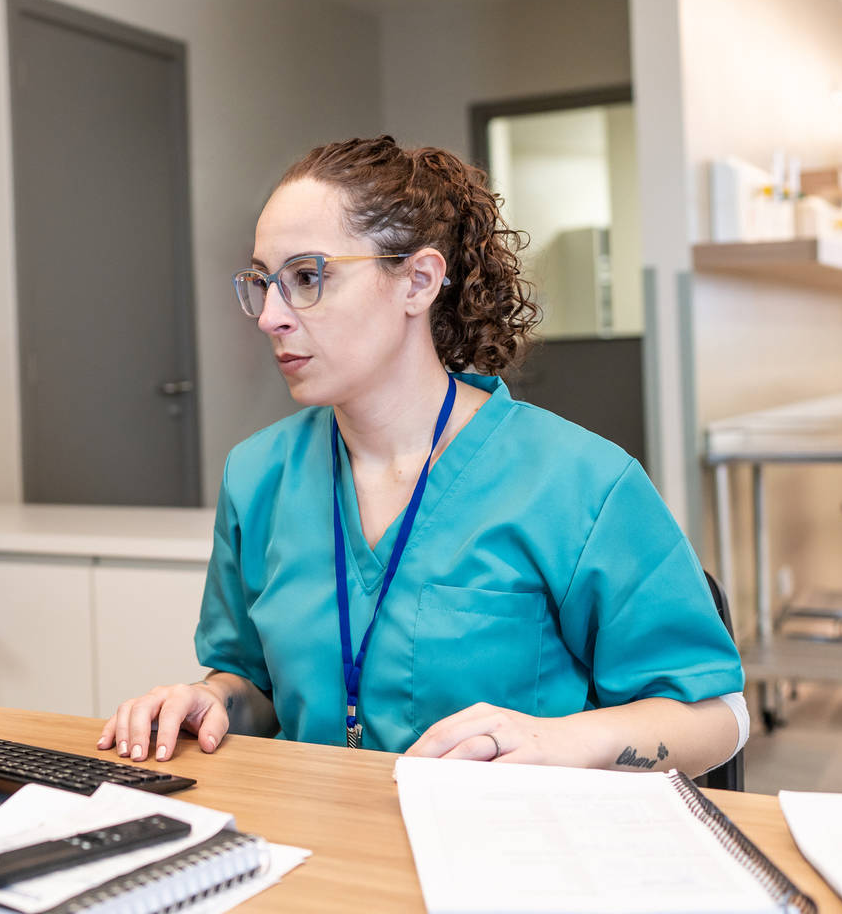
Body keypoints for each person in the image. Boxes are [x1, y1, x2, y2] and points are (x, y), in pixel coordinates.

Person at [98, 136, 745, 776]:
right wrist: (212, 699)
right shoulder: (257, 476)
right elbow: (254, 683)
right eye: (263, 283)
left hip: (499, 835)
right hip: (311, 832)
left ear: (418, 281)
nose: (270, 316)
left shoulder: (578, 482)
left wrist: (564, 742)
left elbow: (718, 716)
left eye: (306, 278)